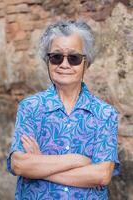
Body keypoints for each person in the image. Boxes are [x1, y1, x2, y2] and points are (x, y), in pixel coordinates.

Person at [7, 20, 120, 200]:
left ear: (86, 62)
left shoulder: (105, 114)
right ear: (48, 60)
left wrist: (39, 164)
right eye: (56, 57)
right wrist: (76, 160)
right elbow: (19, 165)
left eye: (74, 58)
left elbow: (101, 175)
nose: (64, 64)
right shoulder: (30, 107)